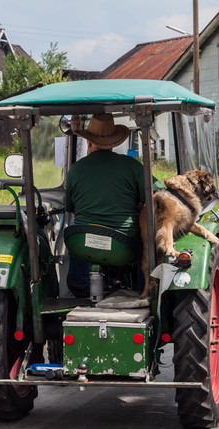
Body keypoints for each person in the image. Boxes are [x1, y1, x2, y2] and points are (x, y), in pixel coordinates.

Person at [65, 113, 147, 297]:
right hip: (123, 244)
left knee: (74, 227)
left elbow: (69, 207)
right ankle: (142, 290)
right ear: (114, 143)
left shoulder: (75, 170)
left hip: (83, 243)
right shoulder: (132, 166)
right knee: (145, 239)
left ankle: (80, 287)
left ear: (88, 142)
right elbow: (152, 196)